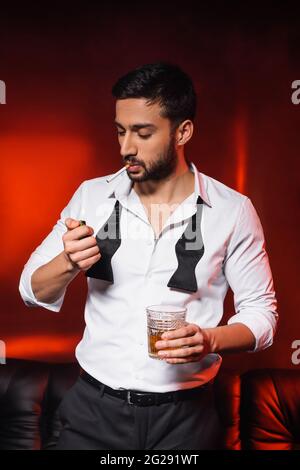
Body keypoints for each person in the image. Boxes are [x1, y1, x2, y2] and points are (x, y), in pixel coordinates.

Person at [19, 61, 278, 450]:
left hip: (186, 420)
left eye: (143, 133)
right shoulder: (92, 196)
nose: (126, 148)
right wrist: (68, 262)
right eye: (121, 131)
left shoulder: (233, 210)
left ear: (183, 131)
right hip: (93, 412)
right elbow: (30, 289)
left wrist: (210, 339)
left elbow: (263, 314)